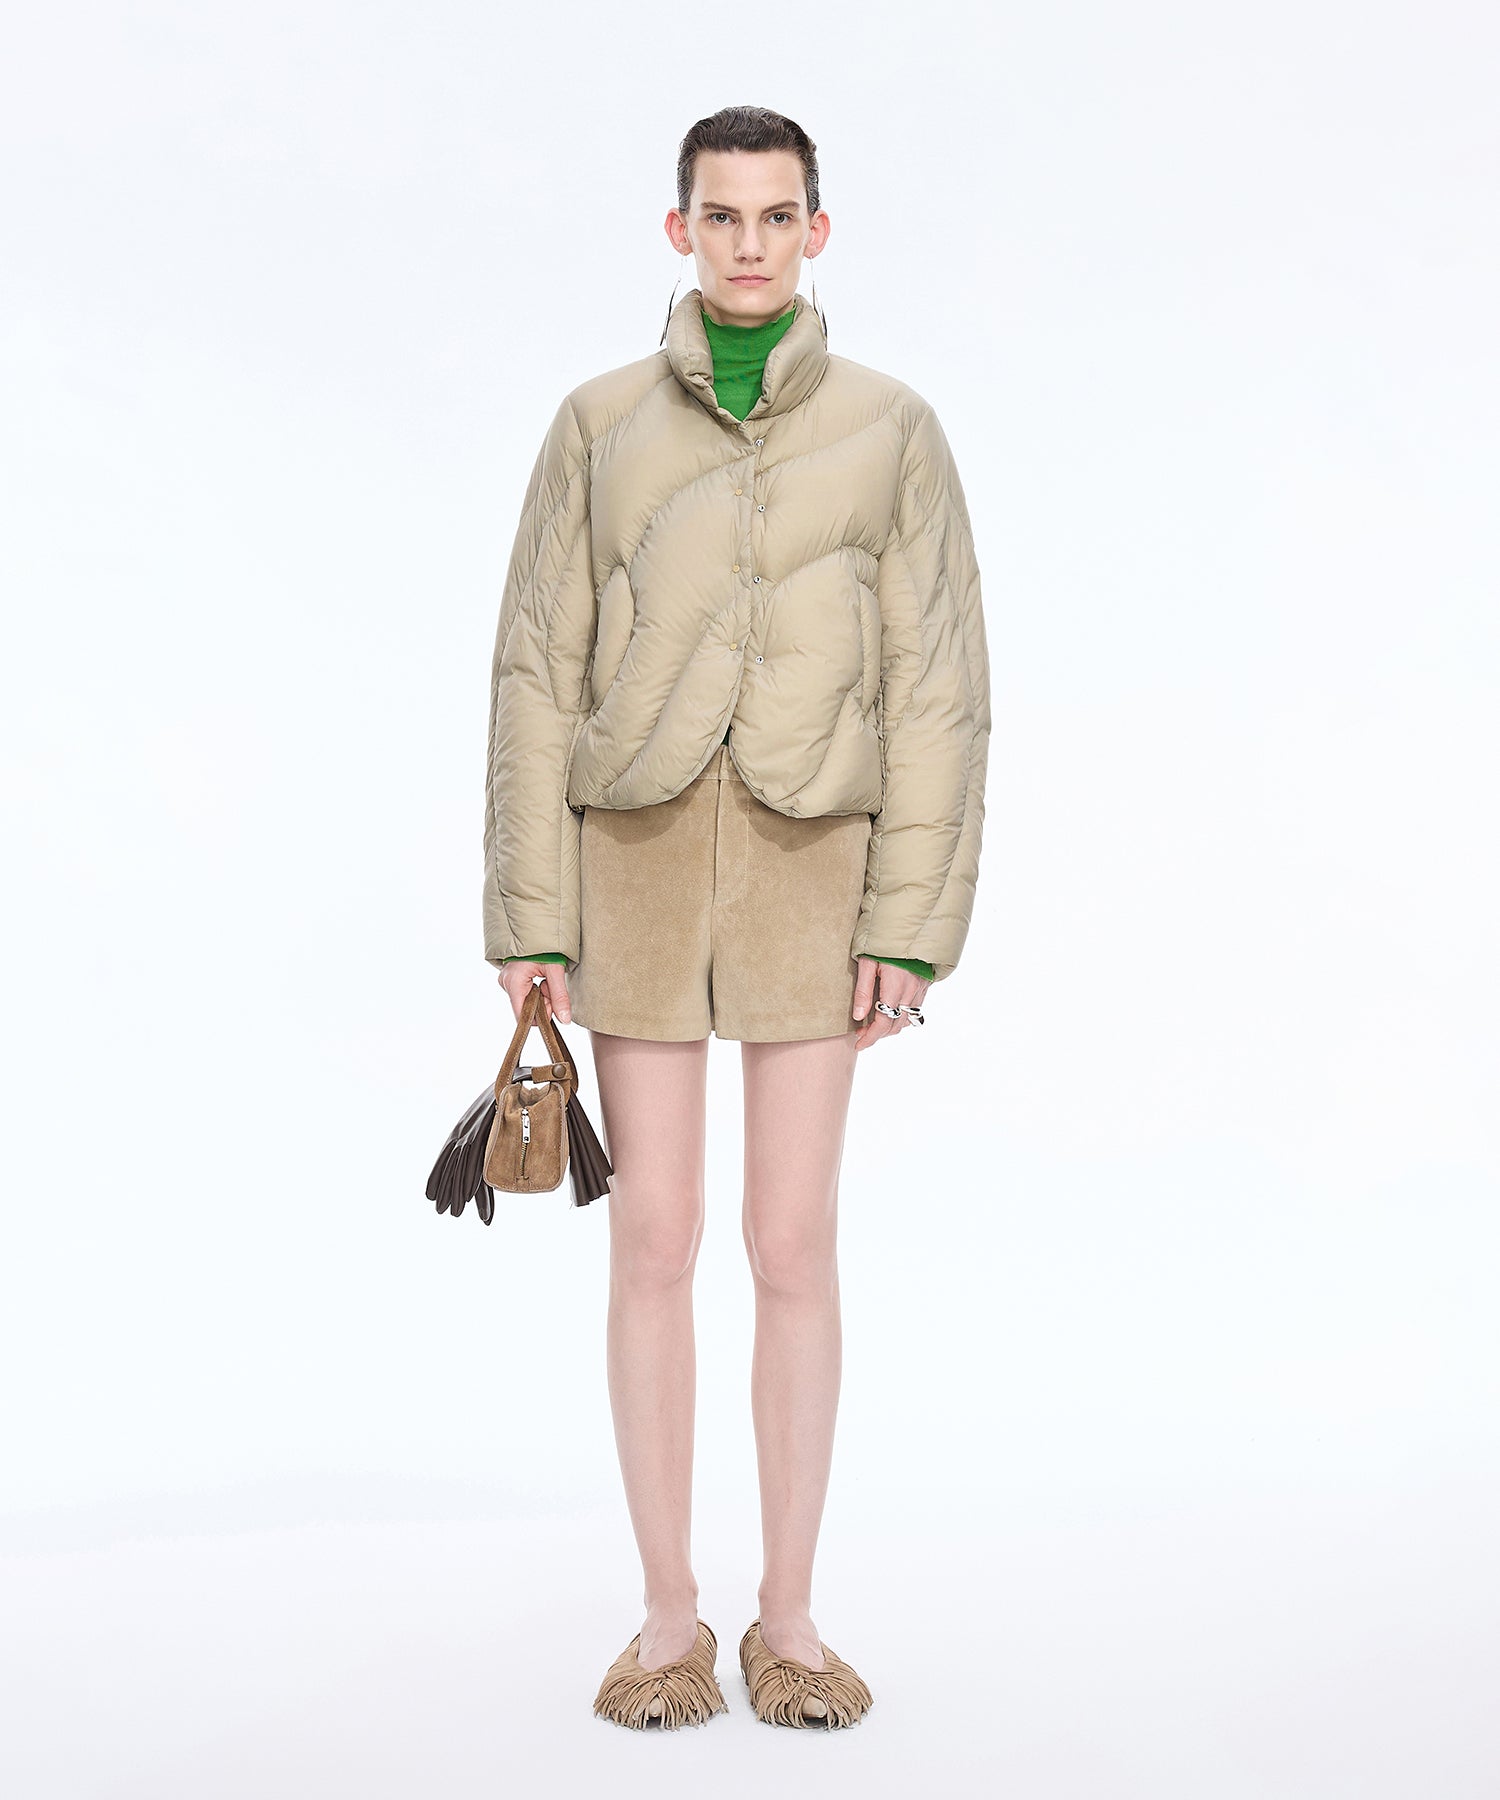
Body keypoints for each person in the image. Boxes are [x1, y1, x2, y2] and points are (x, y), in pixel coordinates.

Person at [482, 105, 990, 1729]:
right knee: (652, 1238)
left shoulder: (895, 430)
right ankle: (665, 1615)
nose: (750, 243)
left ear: (817, 231)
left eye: (778, 216)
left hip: (810, 867)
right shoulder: (596, 424)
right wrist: (529, 914)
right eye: (723, 215)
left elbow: (938, 688)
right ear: (679, 229)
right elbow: (535, 672)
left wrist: (910, 924)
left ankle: (790, 1615)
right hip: (629, 859)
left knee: (791, 1243)